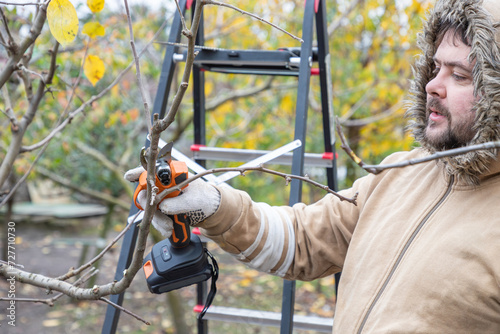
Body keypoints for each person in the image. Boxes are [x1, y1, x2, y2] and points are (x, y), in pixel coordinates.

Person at [126, 0, 500, 332]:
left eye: (460, 75)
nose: (433, 85)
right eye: (435, 68)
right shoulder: (399, 173)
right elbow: (304, 239)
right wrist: (215, 207)